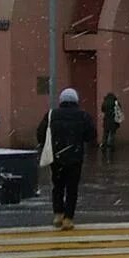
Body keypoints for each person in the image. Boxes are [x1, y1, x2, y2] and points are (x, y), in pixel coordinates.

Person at [37, 88, 97, 230]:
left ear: (61, 101)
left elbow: (40, 133)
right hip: (75, 157)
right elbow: (91, 135)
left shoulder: (52, 115)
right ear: (76, 100)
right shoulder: (83, 115)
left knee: (57, 186)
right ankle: (68, 218)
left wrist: (47, 145)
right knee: (72, 188)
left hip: (57, 157)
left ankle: (58, 214)